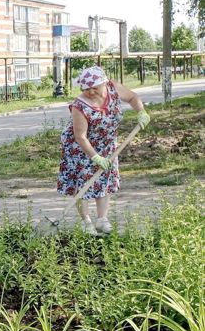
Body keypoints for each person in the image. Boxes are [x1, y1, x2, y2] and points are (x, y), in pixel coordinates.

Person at [56, 66, 149, 235]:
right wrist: (96, 157)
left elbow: (133, 97)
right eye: (86, 89)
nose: (91, 92)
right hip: (80, 147)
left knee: (104, 180)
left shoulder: (113, 88)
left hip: (107, 143)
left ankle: (102, 219)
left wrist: (141, 112)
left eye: (95, 87)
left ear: (104, 83)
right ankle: (86, 221)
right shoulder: (80, 105)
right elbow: (80, 136)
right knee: (83, 182)